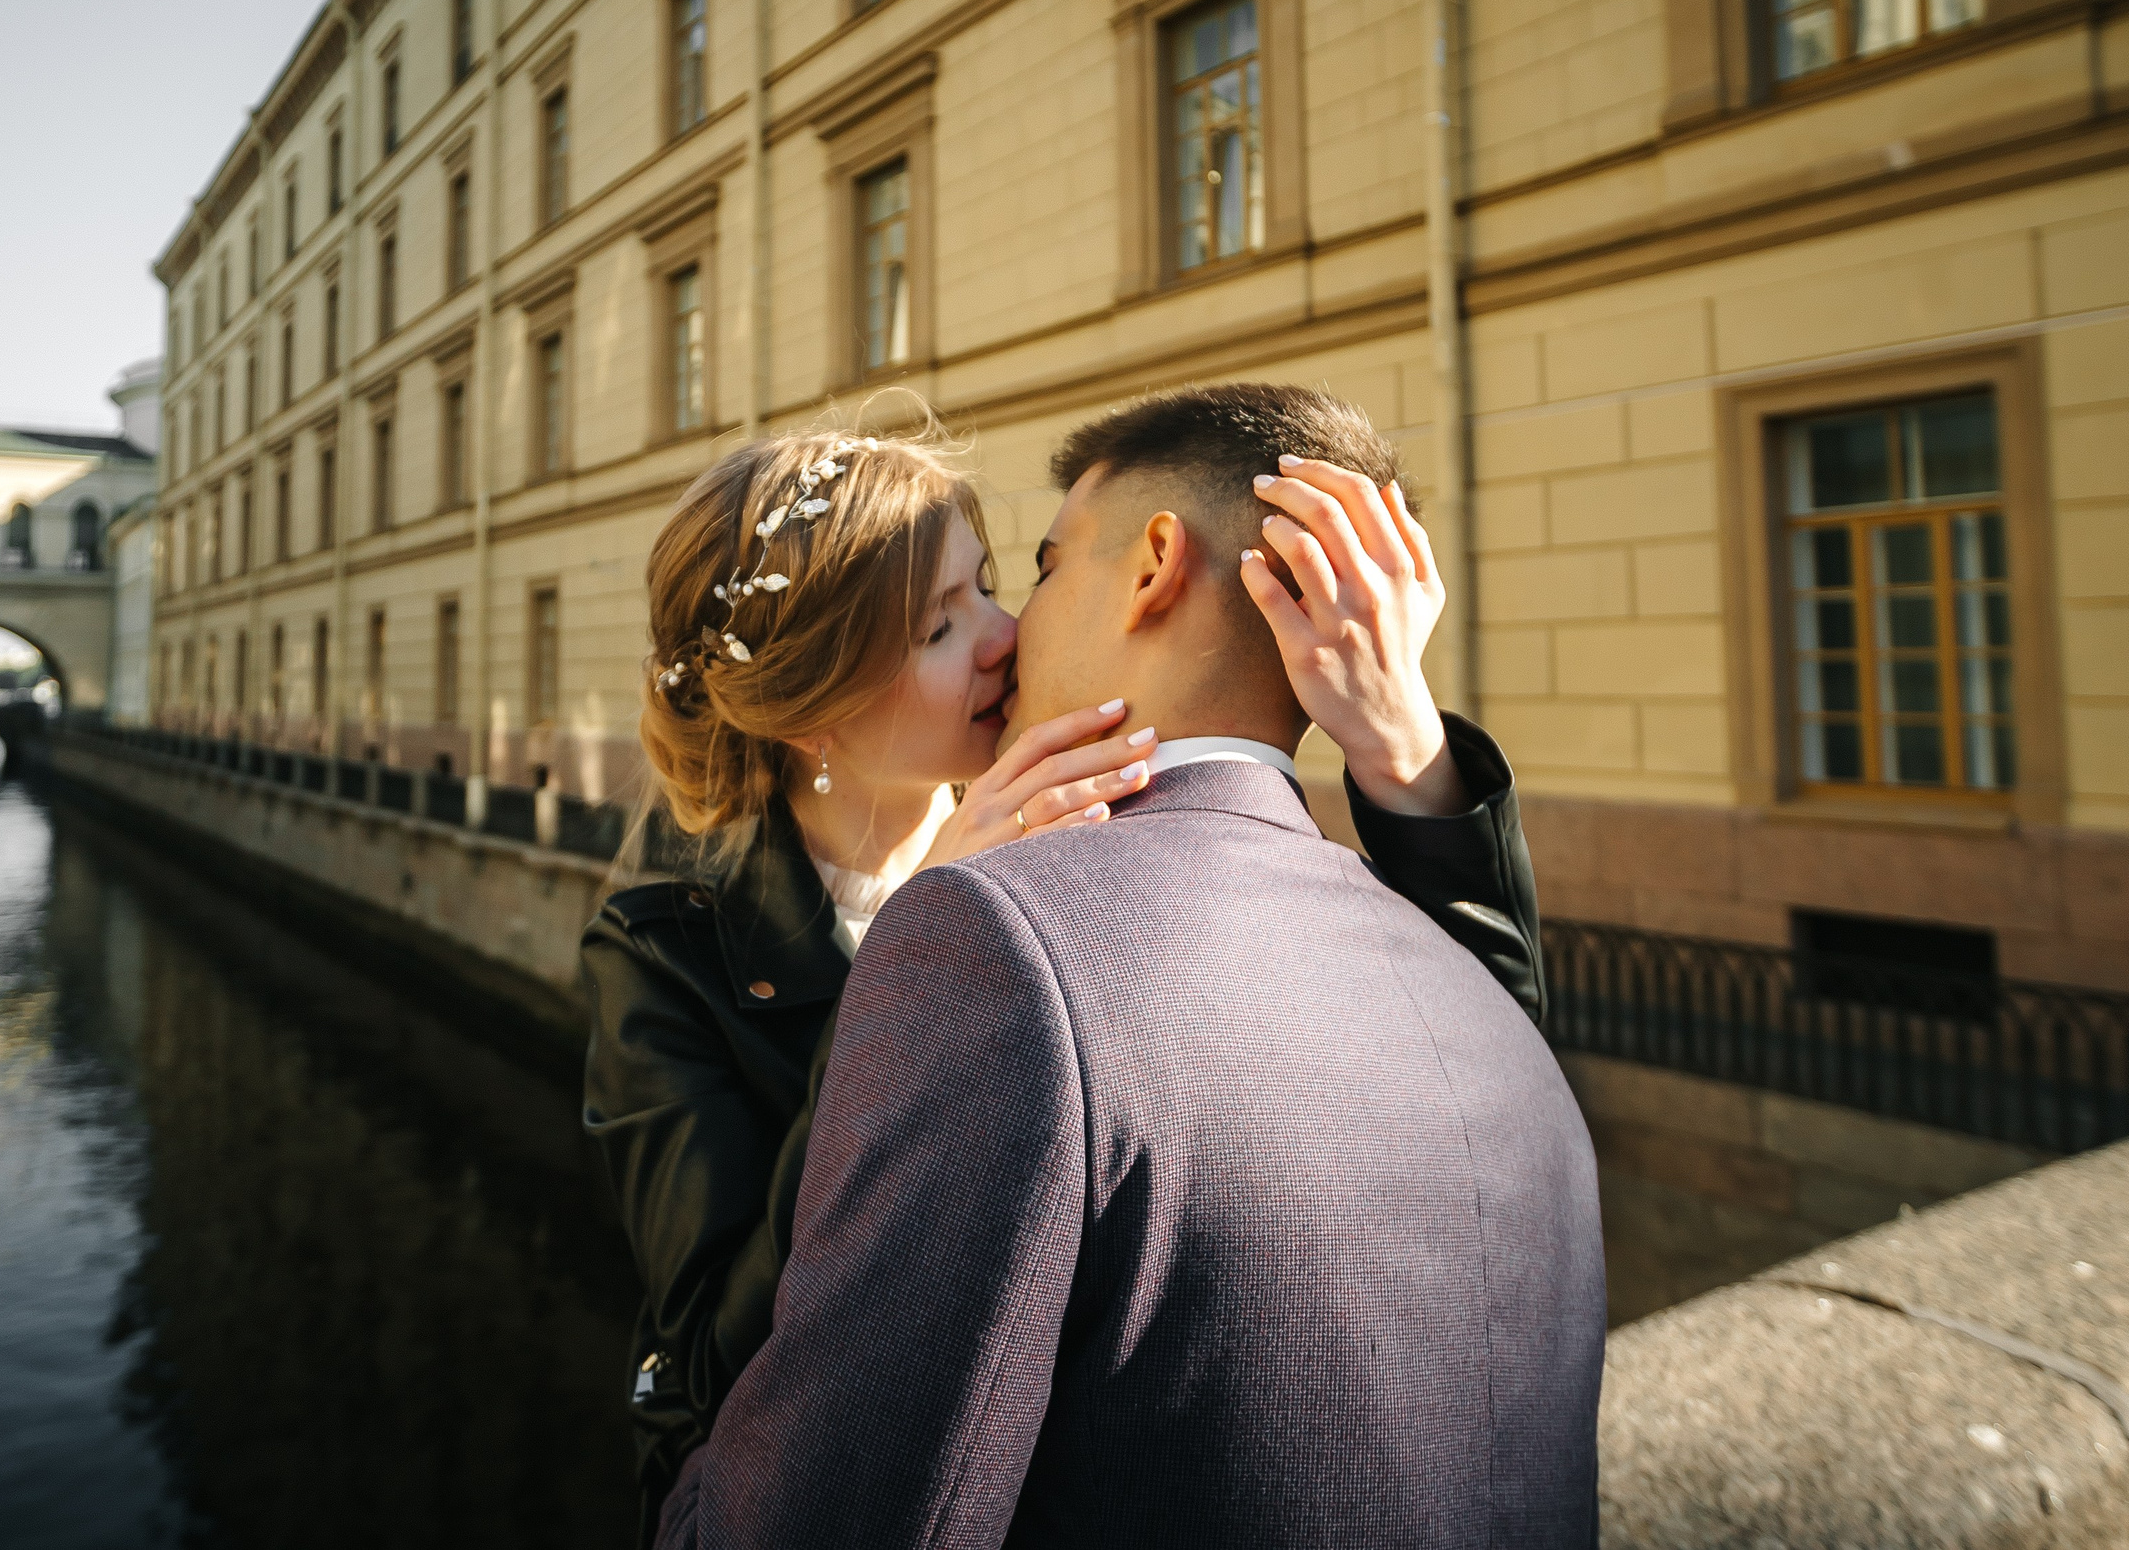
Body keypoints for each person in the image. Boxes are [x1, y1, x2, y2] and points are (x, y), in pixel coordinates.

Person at [581, 394, 1552, 1545]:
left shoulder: (1095, 796)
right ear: (812, 716)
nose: (1002, 634)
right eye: (939, 627)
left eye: (990, 579)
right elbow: (698, 1365)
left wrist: (1404, 752)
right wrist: (918, 933)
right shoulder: (663, 947)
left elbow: (1475, 1064)